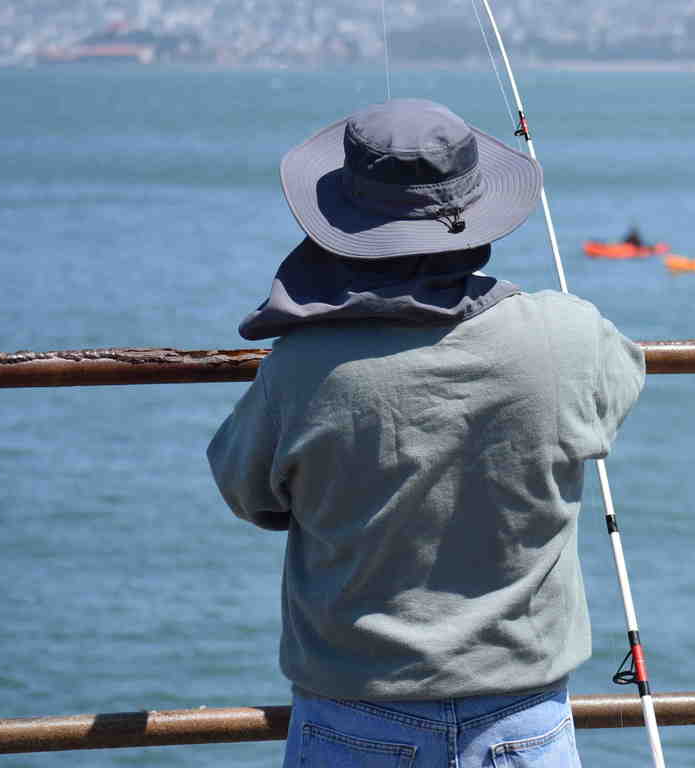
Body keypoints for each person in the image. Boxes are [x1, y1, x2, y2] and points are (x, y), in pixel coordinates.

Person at [207, 98, 644, 768]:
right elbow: (613, 393)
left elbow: (248, 492)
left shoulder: (300, 369)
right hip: (525, 715)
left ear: (343, 227)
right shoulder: (570, 333)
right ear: (481, 213)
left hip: (353, 711)